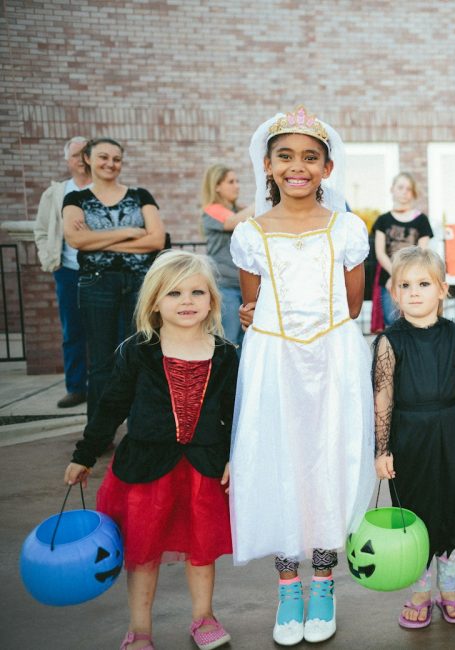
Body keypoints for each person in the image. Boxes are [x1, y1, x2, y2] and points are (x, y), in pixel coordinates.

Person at [228, 105, 375, 646]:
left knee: (326, 462)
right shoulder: (250, 234)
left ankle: (323, 580)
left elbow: (353, 303)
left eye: (310, 157)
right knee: (280, 463)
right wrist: (257, 318)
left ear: (327, 169)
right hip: (275, 364)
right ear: (268, 165)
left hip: (332, 361)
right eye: (285, 156)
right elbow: (253, 303)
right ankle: (288, 589)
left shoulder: (347, 229)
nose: (298, 167)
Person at [64, 250, 238, 650]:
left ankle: (204, 617)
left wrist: (234, 456)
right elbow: (111, 406)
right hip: (146, 470)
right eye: (174, 293)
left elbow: (235, 413)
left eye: (197, 292)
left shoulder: (227, 355)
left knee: (201, 548)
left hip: (204, 469)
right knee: (143, 552)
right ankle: (139, 629)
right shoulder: (137, 351)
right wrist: (83, 455)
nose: (187, 301)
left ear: (212, 299)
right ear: (155, 302)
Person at [372, 246, 455, 629]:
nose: (415, 291)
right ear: (394, 293)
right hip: (408, 436)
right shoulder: (389, 341)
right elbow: (383, 397)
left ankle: (449, 589)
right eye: (405, 285)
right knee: (413, 512)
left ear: (442, 289)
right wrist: (381, 449)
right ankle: (419, 591)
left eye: (423, 283)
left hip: (450, 432)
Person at [62, 138, 166, 421]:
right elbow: (75, 239)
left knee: (140, 354)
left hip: (138, 283)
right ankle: (100, 429)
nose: (110, 164)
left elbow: (156, 239)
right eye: (103, 157)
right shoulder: (75, 199)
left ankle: (140, 426)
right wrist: (130, 232)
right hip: (97, 284)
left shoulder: (141, 195)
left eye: (116, 159)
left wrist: (96, 241)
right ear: (88, 159)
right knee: (100, 362)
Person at [33, 136, 90, 408]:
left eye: (86, 153)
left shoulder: (102, 188)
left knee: (109, 330)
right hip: (67, 271)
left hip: (100, 273)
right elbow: (41, 229)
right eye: (77, 154)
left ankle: (109, 387)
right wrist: (49, 259)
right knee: (72, 330)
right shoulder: (56, 192)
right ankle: (77, 387)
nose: (82, 159)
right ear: (67, 161)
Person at [371, 173, 433, 331]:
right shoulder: (382, 220)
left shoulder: (421, 220)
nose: (404, 191)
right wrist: (396, 276)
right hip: (389, 279)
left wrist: (403, 277)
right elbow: (380, 253)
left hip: (414, 279)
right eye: (400, 187)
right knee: (392, 320)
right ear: (392, 189)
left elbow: (421, 252)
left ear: (413, 193)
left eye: (409, 189)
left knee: (415, 321)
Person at [200, 164, 253, 347]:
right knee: (228, 341)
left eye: (237, 181)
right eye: (231, 182)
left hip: (246, 286)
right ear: (217, 186)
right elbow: (231, 223)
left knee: (247, 340)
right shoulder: (211, 210)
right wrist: (261, 201)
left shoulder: (241, 210)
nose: (236, 185)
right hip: (225, 287)